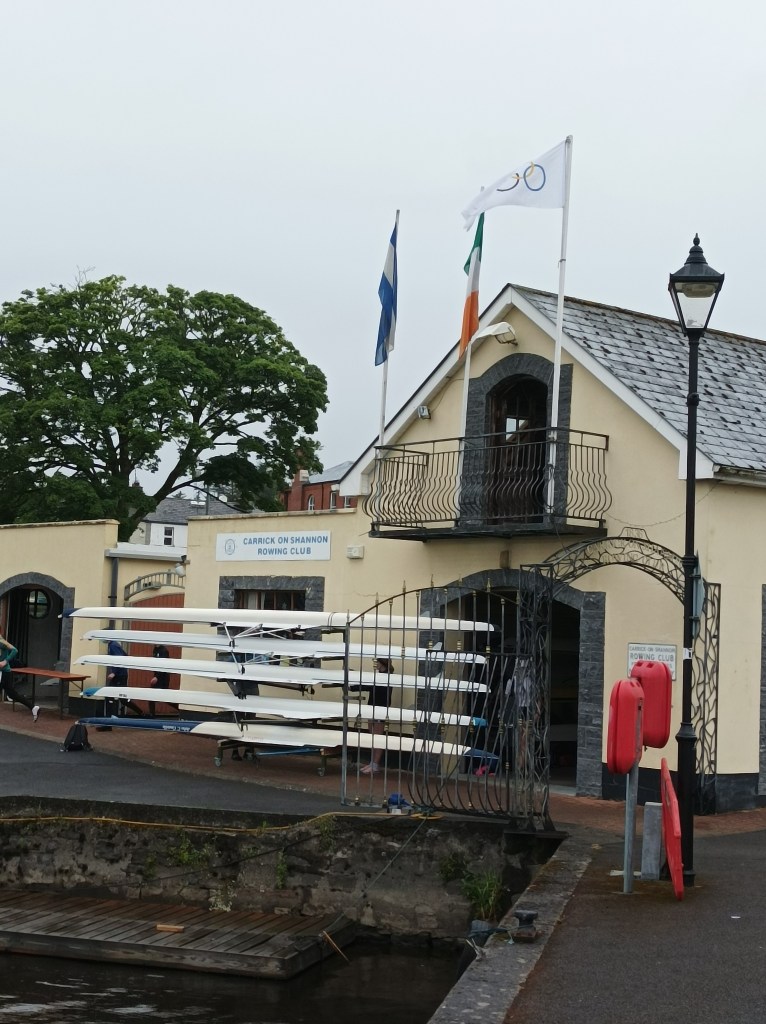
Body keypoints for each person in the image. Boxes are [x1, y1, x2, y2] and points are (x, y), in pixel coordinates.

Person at [360, 656, 394, 775]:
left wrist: (353, 686)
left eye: (377, 662)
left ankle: (375, 764)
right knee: (373, 738)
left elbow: (370, 687)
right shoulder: (379, 675)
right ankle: (372, 762)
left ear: (382, 662)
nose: (375, 664)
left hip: (380, 709)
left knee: (378, 738)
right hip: (372, 708)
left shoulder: (386, 676)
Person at [0, 634, 40, 720]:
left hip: (3, 672)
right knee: (12, 694)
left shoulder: (1, 642)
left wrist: (5, 661)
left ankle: (32, 707)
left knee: (12, 694)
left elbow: (14, 650)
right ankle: (33, 707)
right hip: (4, 672)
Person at [105, 640, 145, 717]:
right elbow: (125, 655)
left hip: (119, 676)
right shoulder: (115, 645)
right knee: (117, 697)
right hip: (121, 675)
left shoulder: (113, 645)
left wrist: (114, 672)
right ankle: (141, 713)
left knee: (116, 697)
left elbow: (120, 659)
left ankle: (109, 718)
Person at [148, 644, 171, 716]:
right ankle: (152, 715)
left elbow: (164, 665)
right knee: (151, 696)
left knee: (165, 698)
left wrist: (157, 677)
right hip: (157, 676)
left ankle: (179, 708)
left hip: (163, 678)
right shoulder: (155, 649)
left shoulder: (164, 651)